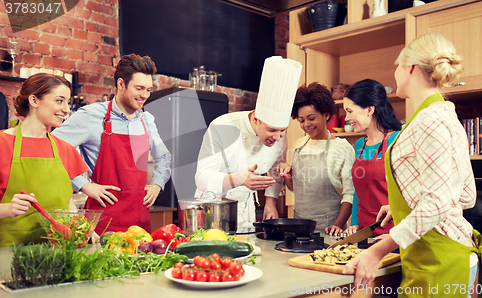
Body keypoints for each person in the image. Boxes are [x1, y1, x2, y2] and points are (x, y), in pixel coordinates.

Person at [344, 33, 482, 297]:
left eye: (397, 67)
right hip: (431, 256)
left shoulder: (430, 122)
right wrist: (403, 204)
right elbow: (465, 195)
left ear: (409, 68)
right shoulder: (440, 116)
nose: (395, 75)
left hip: (440, 260)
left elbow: (438, 202)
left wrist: (376, 252)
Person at [52, 54, 171, 235]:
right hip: (101, 221)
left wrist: (158, 184)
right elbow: (52, 148)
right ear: (121, 84)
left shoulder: (147, 120)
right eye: (139, 88)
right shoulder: (89, 116)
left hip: (139, 224)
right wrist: (84, 185)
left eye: (148, 89)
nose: (145, 95)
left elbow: (163, 156)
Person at [195, 56, 302, 229]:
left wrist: (271, 201)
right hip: (212, 210)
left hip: (246, 213)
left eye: (283, 130)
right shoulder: (222, 126)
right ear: (256, 119)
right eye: (272, 130)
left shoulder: (280, 136)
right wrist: (239, 179)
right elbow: (202, 179)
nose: (278, 137)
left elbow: (275, 168)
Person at [0, 73, 89, 246]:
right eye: (59, 100)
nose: (66, 109)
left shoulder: (65, 149)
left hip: (57, 253)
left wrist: (80, 230)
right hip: (8, 255)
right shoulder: (2, 144)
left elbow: (68, 203)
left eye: (68, 102)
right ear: (34, 101)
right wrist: (8, 209)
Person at [277, 82, 355, 233]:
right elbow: (295, 188)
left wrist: (337, 225)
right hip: (299, 227)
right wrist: (286, 172)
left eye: (311, 118)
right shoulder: (300, 144)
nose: (306, 125)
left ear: (326, 115)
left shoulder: (342, 148)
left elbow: (350, 194)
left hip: (329, 229)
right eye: (301, 120)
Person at [328, 79, 401, 237]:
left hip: (392, 234)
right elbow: (357, 191)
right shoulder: (360, 144)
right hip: (364, 233)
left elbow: (409, 194)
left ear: (369, 110)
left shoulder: (398, 141)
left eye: (350, 111)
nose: (346, 118)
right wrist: (354, 223)